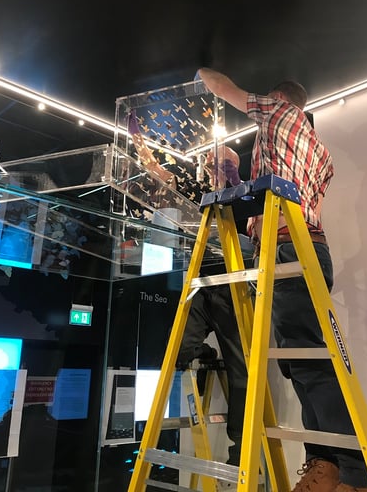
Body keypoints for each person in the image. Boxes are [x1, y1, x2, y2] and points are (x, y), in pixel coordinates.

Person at [197, 67, 367, 492]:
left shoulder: (279, 112)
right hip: (297, 247)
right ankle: (325, 463)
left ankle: (352, 471)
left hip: (290, 247)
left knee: (309, 362)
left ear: (280, 99)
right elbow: (268, 195)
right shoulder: (316, 151)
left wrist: (199, 68)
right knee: (301, 361)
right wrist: (236, 178)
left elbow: (223, 86)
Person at [127, 108, 248, 470]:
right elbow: (158, 174)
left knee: (241, 366)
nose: (213, 165)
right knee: (177, 349)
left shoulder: (241, 196)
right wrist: (136, 138)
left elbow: (252, 230)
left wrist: (233, 173)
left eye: (221, 162)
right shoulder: (196, 191)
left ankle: (240, 445)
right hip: (198, 282)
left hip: (231, 285)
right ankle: (199, 359)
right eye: (211, 161)